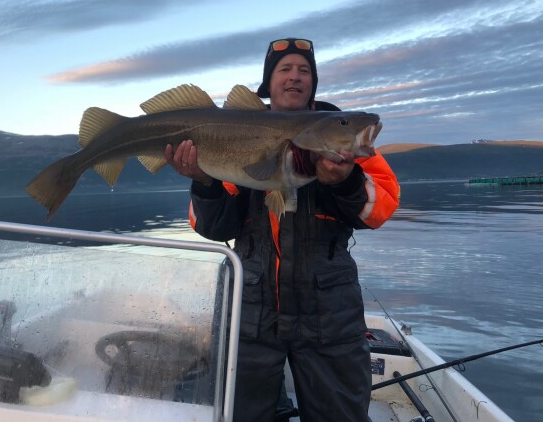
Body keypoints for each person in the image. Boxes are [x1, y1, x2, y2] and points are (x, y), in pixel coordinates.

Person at [165, 38, 400, 422]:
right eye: (285, 69)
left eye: (304, 70)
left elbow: (381, 207)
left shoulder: (343, 137)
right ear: (268, 82)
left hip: (330, 314)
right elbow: (211, 226)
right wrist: (203, 181)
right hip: (251, 312)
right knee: (242, 414)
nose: (295, 77)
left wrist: (344, 182)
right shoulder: (232, 132)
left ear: (314, 83)